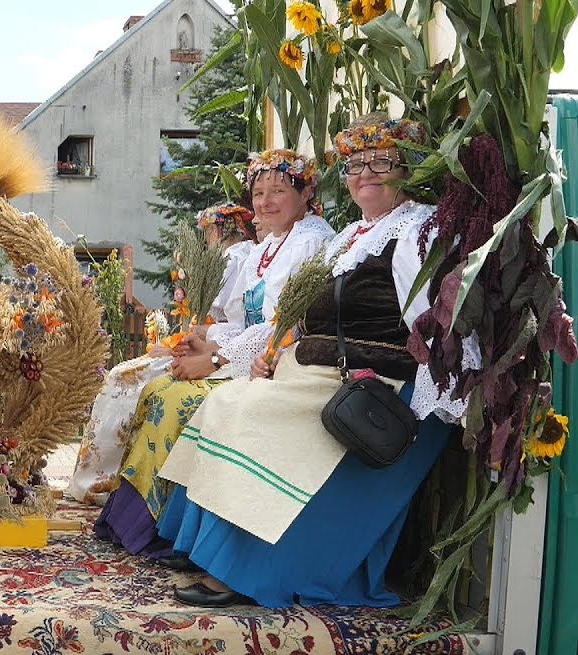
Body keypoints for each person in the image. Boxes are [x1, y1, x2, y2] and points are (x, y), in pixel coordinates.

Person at [157, 114, 474, 609]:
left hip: (372, 378)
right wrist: (267, 355)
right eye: (355, 165)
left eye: (380, 162)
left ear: (407, 169)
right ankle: (214, 551)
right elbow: (300, 312)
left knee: (252, 414)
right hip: (315, 366)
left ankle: (251, 570)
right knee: (227, 404)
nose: (365, 173)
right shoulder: (350, 236)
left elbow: (439, 322)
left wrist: (437, 398)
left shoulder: (417, 231)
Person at [93, 150, 335, 556]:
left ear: (306, 192)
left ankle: (172, 533)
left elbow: (284, 326)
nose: (265, 202)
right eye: (259, 193)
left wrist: (216, 360)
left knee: (179, 401)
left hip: (276, 363)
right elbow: (243, 321)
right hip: (250, 354)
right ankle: (138, 522)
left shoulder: (310, 241)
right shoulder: (270, 245)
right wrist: (207, 340)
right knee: (161, 391)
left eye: (278, 191)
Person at [68, 204, 257, 505]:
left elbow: (228, 324)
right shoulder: (240, 256)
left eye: (208, 231)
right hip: (209, 343)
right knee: (125, 374)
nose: (205, 237)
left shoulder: (236, 257)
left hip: (220, 349)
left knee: (127, 378)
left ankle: (105, 481)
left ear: (221, 229)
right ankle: (102, 479)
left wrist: (194, 345)